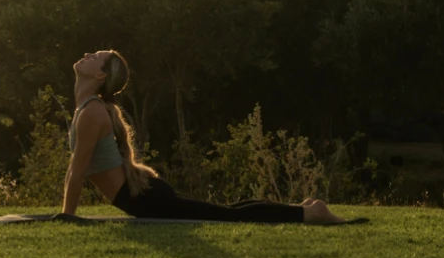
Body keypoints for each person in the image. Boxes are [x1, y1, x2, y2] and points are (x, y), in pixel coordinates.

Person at [62, 49, 347, 224]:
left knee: (228, 216)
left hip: (147, 200)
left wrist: (67, 216)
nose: (87, 55)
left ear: (100, 76)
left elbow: (76, 173)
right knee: (226, 212)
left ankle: (310, 214)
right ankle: (302, 209)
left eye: (95, 57)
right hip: (145, 195)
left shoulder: (92, 112)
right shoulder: (89, 110)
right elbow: (76, 171)